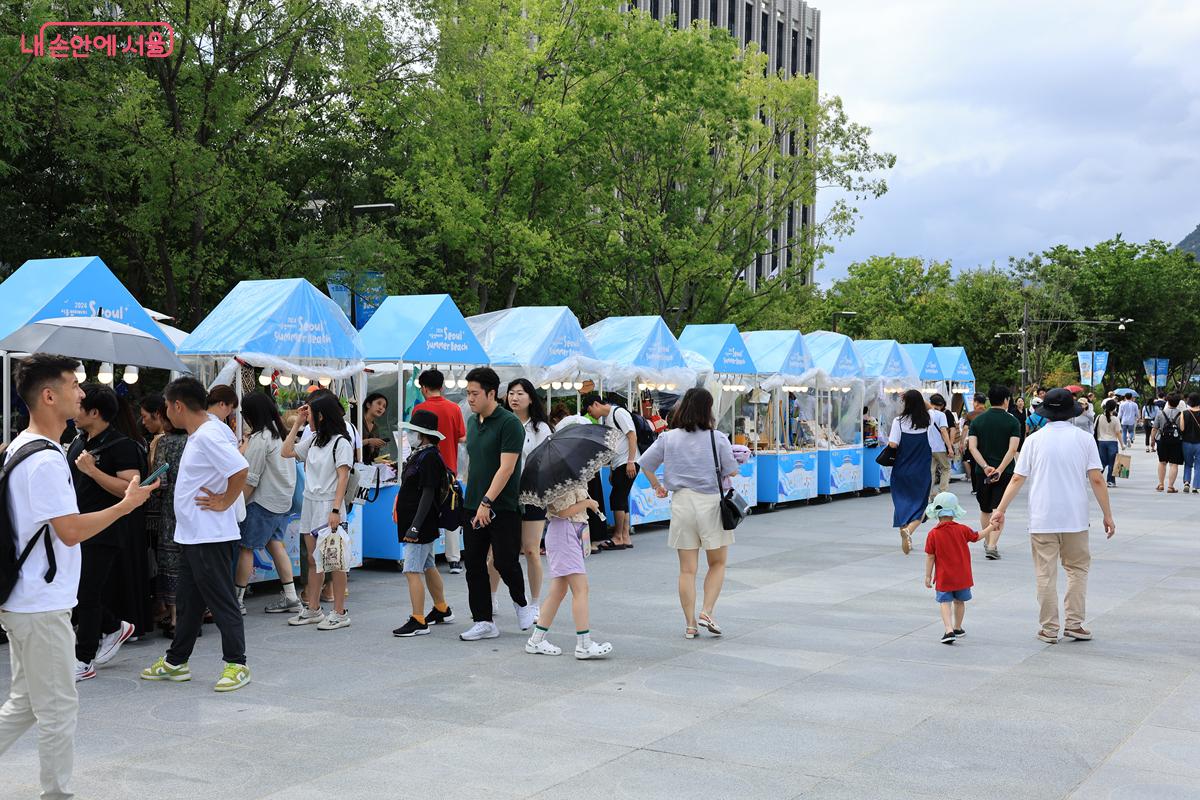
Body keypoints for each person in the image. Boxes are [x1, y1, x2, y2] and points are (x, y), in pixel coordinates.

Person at [0, 354, 156, 799]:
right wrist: (125, 506)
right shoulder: (46, 459)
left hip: (27, 598)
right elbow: (69, 532)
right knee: (58, 709)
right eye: (73, 384)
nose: (82, 393)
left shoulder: (21, 445)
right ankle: (57, 793)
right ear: (49, 396)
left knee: (26, 705)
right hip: (40, 602)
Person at [140, 377, 251, 691]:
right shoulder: (206, 430)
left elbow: (239, 469)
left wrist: (225, 500)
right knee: (188, 602)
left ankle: (237, 663)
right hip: (194, 534)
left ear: (177, 406)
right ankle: (177, 661)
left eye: (166, 407)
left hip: (210, 535)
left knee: (221, 599)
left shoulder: (206, 435)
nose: (165, 414)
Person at [991, 388, 1115, 644]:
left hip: (1042, 517)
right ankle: (1074, 624)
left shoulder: (1034, 441)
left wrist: (1000, 509)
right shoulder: (1083, 439)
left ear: (1045, 412)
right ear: (1072, 411)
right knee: (1077, 570)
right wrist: (1107, 515)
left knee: (1045, 573)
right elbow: (1097, 480)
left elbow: (1017, 478)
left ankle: (1049, 629)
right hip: (1075, 518)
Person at [639, 388, 738, 639]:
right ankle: (707, 611)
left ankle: (690, 624)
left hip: (682, 503)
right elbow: (732, 471)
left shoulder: (668, 438)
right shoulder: (718, 438)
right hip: (711, 504)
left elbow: (646, 464)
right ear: (708, 409)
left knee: (687, 570)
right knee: (717, 563)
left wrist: (657, 487)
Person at [68, 384, 147, 681]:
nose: (74, 411)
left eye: (80, 406)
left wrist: (93, 471)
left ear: (95, 412)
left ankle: (84, 658)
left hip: (106, 528)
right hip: (77, 525)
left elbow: (131, 489)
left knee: (87, 592)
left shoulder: (121, 445)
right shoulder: (78, 440)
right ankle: (114, 626)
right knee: (77, 591)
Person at [459, 367, 535, 641]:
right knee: (475, 565)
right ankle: (483, 620)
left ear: (492, 393)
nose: (470, 398)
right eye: (468, 393)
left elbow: (506, 468)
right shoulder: (472, 421)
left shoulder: (509, 424)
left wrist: (487, 502)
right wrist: (475, 500)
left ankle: (522, 603)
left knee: (504, 561)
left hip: (501, 505)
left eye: (475, 393)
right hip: (472, 503)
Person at [281, 393, 354, 630]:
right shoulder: (313, 439)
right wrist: (298, 424)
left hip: (328, 504)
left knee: (334, 561)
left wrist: (335, 509)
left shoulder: (341, 442)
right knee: (314, 560)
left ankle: (340, 612)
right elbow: (286, 451)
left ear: (321, 415)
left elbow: (343, 478)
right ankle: (313, 609)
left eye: (310, 412)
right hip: (311, 503)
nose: (307, 415)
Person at [524, 484, 612, 658]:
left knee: (558, 591)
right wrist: (587, 503)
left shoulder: (567, 475)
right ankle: (584, 644)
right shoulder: (558, 479)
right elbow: (562, 512)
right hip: (564, 533)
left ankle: (536, 640)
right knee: (580, 589)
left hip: (567, 533)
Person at [391, 409, 456, 637]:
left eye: (414, 431)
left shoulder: (428, 457)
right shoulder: (423, 454)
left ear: (424, 434)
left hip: (420, 523)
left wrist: (415, 526)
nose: (410, 434)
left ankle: (418, 619)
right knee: (427, 565)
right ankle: (441, 608)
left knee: (412, 570)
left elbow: (428, 493)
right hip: (417, 521)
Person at [234, 393, 300, 615]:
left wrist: (237, 505)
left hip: (263, 502)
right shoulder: (281, 433)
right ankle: (291, 597)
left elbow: (251, 479)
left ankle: (237, 600)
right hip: (283, 501)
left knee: (246, 547)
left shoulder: (261, 439)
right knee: (275, 543)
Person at [497, 378, 552, 617]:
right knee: (496, 552)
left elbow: (547, 463)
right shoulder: (499, 423)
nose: (514, 397)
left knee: (531, 550)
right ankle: (490, 600)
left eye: (520, 393)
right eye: (511, 393)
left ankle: (535, 602)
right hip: (503, 494)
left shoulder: (541, 428)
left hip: (531, 495)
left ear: (531, 398)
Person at [140, 394, 187, 638]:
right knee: (189, 564)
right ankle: (192, 616)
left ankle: (176, 617)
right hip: (195, 510)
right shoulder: (195, 440)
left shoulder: (165, 444)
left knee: (169, 563)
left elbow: (161, 479)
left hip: (170, 511)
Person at [413, 369, 467, 573]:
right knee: (451, 509)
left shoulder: (419, 410)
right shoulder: (454, 408)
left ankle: (428, 559)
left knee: (427, 510)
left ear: (424, 388)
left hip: (425, 467)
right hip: (449, 467)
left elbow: (414, 439)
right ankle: (454, 559)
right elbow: (462, 437)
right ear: (442, 387)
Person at [924, 492, 994, 644]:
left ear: (936, 513)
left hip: (944, 576)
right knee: (959, 602)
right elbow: (977, 536)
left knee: (945, 602)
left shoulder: (933, 534)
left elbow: (930, 557)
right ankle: (958, 627)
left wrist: (928, 576)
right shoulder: (962, 529)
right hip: (962, 576)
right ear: (954, 512)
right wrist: (991, 527)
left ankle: (948, 629)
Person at [966, 385, 1021, 561]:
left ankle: (987, 539)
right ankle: (992, 545)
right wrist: (1000, 469)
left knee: (985, 508)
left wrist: (985, 466)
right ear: (1006, 400)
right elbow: (1012, 449)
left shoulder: (978, 421)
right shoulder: (1013, 422)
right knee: (999, 508)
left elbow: (972, 447)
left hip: (982, 473)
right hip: (1004, 473)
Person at [886, 390, 944, 555]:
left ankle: (905, 532)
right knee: (921, 505)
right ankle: (909, 531)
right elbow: (931, 407)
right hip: (921, 470)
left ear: (906, 404)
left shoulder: (899, 421)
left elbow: (893, 444)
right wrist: (916, 396)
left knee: (902, 502)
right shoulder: (928, 420)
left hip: (901, 469)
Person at [581, 393, 639, 551]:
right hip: (620, 463)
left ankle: (618, 537)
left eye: (589, 410)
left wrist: (630, 461)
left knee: (617, 498)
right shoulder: (608, 418)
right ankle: (624, 536)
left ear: (595, 404)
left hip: (627, 462)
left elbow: (632, 436)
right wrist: (614, 468)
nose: (591, 414)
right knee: (621, 498)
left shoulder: (618, 413)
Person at [1153, 392, 1185, 493]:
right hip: (1176, 442)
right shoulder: (1181, 414)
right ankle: (1170, 486)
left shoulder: (1160, 413)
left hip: (1162, 440)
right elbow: (1183, 429)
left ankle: (1161, 484)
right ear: (1178, 402)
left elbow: (1154, 428)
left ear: (1167, 401)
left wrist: (1152, 440)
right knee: (1174, 464)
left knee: (1162, 462)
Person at [926, 394, 953, 500]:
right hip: (940, 448)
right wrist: (949, 447)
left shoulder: (925, 414)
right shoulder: (941, 415)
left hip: (928, 447)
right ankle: (942, 493)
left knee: (930, 471)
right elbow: (943, 431)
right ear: (941, 404)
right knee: (945, 468)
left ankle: (928, 495)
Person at [1094, 399, 1122, 488]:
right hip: (1112, 442)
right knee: (1112, 463)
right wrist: (1122, 444)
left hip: (1101, 442)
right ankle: (1110, 481)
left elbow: (1095, 429)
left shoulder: (1099, 417)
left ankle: (1096, 478)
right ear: (1114, 408)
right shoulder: (1115, 419)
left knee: (1102, 462)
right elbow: (1118, 432)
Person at [1178, 394, 1200, 494]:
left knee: (1188, 464)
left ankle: (1187, 482)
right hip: (1199, 443)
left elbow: (1182, 428)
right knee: (1198, 464)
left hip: (1186, 442)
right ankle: (1196, 486)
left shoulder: (1184, 413)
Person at [360, 392, 390, 464]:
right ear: (368, 405)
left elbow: (374, 456)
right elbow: (350, 444)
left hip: (366, 466)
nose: (381, 408)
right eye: (378, 403)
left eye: (384, 406)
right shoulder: (357, 421)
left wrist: (374, 446)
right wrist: (368, 441)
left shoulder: (376, 428)